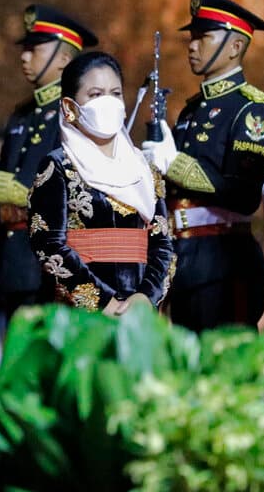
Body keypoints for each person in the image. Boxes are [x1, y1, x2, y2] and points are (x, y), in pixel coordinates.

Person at [142, 0, 264, 332]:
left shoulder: (249, 110)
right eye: (193, 37)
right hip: (183, 258)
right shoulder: (191, 111)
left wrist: (175, 165)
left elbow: (244, 194)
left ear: (235, 46)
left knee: (223, 359)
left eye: (204, 37)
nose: (193, 45)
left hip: (224, 260)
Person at [0, 4, 98, 323]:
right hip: (14, 264)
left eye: (35, 49)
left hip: (49, 266)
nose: (24, 57)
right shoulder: (22, 115)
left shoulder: (74, 116)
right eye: (25, 48)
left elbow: (66, 194)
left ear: (64, 58)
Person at [28, 51, 173, 312]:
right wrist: (104, 302)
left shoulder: (145, 169)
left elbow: (163, 244)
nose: (107, 103)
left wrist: (145, 298)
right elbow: (48, 244)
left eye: (115, 94)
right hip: (81, 315)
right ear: (70, 107)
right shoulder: (59, 166)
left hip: (139, 314)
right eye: (95, 95)